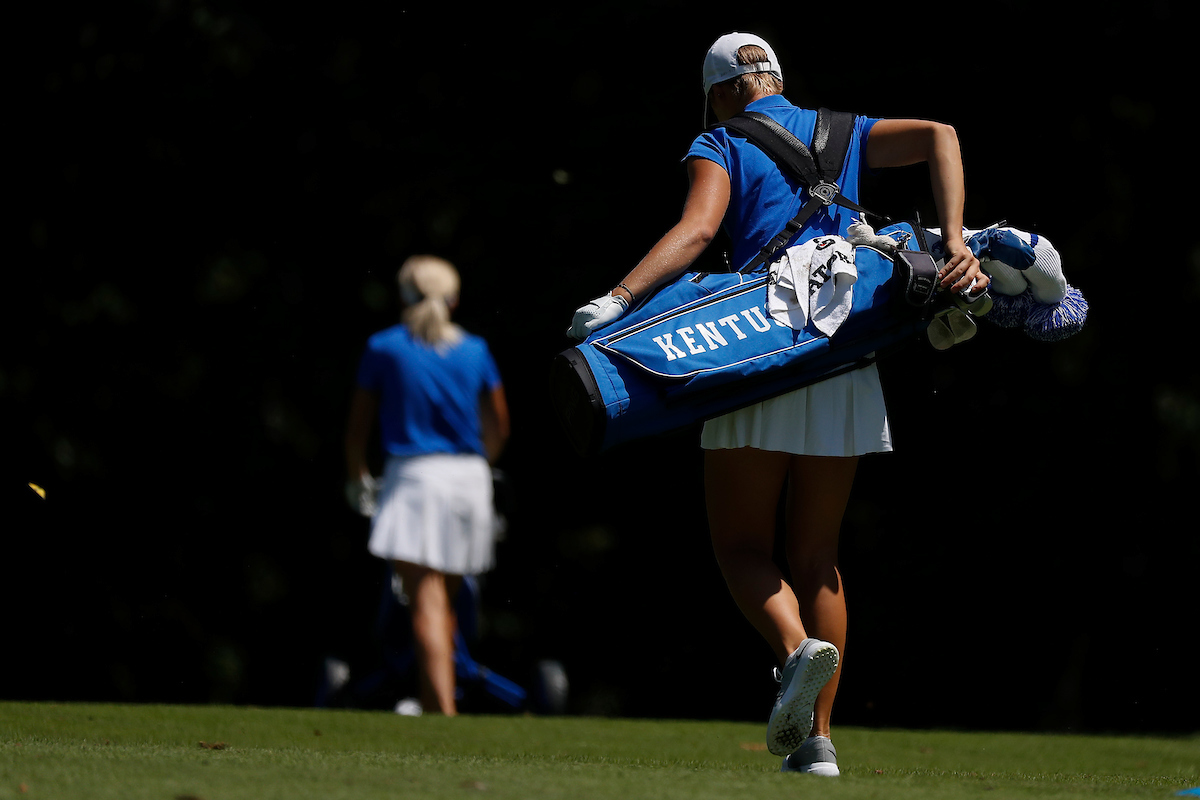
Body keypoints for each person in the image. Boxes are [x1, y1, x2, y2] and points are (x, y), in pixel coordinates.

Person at [566, 32, 988, 775]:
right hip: (843, 352)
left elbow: (698, 230)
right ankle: (818, 743)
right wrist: (955, 240)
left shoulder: (721, 140)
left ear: (723, 91)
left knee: (740, 547)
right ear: (775, 78)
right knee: (818, 558)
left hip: (754, 347)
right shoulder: (842, 130)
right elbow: (941, 135)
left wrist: (620, 297)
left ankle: (794, 650)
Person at [345, 254, 510, 716]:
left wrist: (358, 477)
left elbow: (357, 431)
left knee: (426, 601)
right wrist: (481, 466)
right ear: (453, 300)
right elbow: (498, 427)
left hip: (414, 479)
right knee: (444, 601)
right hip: (470, 481)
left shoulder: (384, 347)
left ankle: (441, 714)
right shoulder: (475, 349)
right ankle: (431, 700)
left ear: (403, 296)